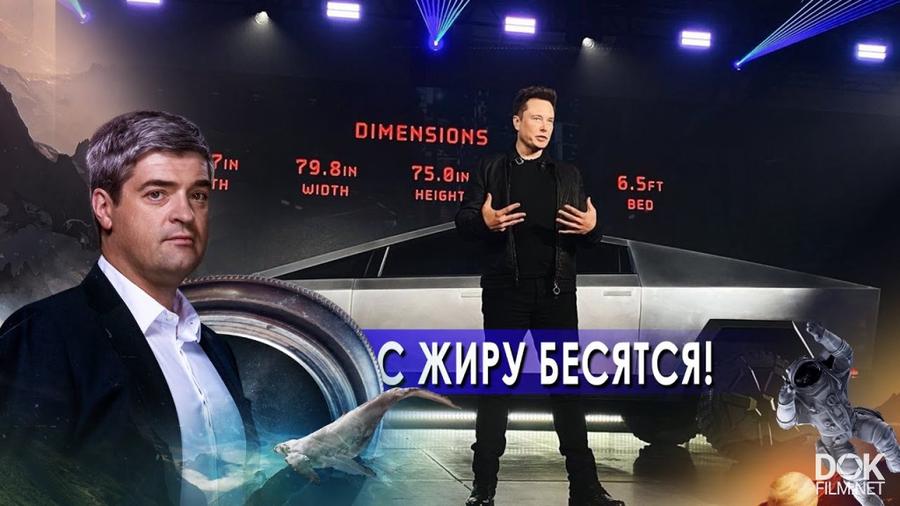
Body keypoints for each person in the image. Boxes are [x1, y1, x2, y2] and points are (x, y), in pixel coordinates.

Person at [0, 111, 257, 505]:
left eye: (198, 195)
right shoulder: (41, 338)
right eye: (157, 194)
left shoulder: (216, 349)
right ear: (104, 208)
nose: (186, 214)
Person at [455, 86, 623, 506]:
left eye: (550, 120)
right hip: (505, 293)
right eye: (536, 118)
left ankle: (585, 489)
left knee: (567, 392)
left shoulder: (567, 175)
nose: (545, 127)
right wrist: (484, 221)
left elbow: (588, 232)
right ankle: (483, 489)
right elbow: (464, 220)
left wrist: (594, 230)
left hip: (556, 294)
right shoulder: (491, 168)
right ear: (517, 121)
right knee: (497, 390)